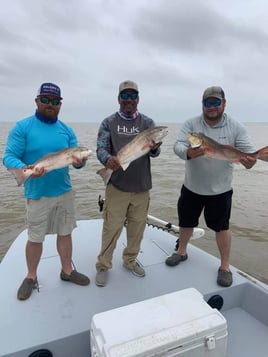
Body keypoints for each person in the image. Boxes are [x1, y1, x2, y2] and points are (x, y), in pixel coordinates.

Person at [3, 82, 90, 301]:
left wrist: (80, 162)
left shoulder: (66, 130)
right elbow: (9, 156)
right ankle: (31, 276)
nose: (50, 105)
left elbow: (78, 162)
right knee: (35, 238)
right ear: (37, 101)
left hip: (64, 191)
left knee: (65, 232)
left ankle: (67, 271)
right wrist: (29, 169)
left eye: (55, 101)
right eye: (46, 100)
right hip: (37, 193)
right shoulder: (23, 127)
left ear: (60, 104)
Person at [165, 86, 256, 287]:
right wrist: (188, 152)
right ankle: (181, 252)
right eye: (208, 103)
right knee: (186, 222)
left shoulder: (236, 127)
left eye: (216, 102)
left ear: (224, 103)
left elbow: (248, 153)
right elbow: (178, 145)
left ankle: (225, 266)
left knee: (222, 227)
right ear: (203, 105)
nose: (212, 107)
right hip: (192, 187)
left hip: (221, 190)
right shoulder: (191, 124)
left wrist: (251, 161)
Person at [95, 80, 162, 287]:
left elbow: (156, 153)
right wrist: (108, 160)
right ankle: (103, 265)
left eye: (133, 96)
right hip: (117, 186)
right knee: (111, 228)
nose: (129, 100)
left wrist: (154, 147)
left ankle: (130, 260)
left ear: (138, 99)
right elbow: (101, 148)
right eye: (125, 96)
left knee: (137, 228)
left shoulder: (148, 123)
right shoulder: (109, 122)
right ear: (118, 99)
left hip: (142, 186)